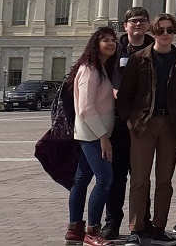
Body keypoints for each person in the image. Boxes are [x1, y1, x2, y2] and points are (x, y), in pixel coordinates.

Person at [116, 13, 176, 246]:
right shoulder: (138, 59)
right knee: (140, 179)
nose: (165, 34)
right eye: (160, 30)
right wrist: (130, 121)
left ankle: (159, 227)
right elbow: (125, 95)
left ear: (175, 32)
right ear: (153, 32)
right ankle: (136, 228)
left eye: (169, 30)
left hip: (171, 125)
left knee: (164, 180)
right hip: (144, 124)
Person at [103, 7, 154, 241]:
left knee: (141, 176)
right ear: (125, 25)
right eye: (133, 21)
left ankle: (143, 221)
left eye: (142, 21)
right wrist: (112, 91)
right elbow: (102, 77)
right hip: (118, 120)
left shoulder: (155, 47)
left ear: (148, 24)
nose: (138, 24)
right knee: (117, 174)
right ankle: (112, 222)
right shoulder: (115, 49)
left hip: (144, 121)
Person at [67, 27, 120, 246]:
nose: (111, 43)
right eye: (105, 40)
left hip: (92, 132)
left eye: (113, 40)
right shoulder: (90, 70)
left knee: (81, 180)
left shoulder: (101, 68)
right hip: (93, 134)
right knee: (104, 179)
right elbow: (86, 108)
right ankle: (92, 231)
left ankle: (74, 229)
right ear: (95, 44)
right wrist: (103, 137)